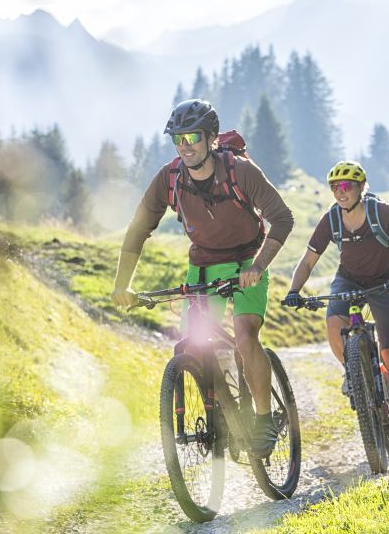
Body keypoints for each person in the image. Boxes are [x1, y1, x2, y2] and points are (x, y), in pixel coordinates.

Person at [111, 99, 294, 458]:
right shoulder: (170, 179)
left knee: (245, 335)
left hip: (246, 262)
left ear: (212, 138)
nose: (185, 145)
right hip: (204, 266)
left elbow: (282, 219)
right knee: (194, 347)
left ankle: (263, 419)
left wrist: (258, 266)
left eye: (193, 137)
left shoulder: (240, 171)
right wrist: (123, 285)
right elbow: (137, 231)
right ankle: (227, 415)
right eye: (178, 139)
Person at [284, 160, 389, 451]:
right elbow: (308, 261)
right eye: (335, 187)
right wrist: (294, 290)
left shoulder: (382, 212)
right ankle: (353, 372)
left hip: (387, 280)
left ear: (361, 187)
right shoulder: (331, 219)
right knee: (334, 322)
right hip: (349, 279)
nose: (341, 191)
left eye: (347, 186)